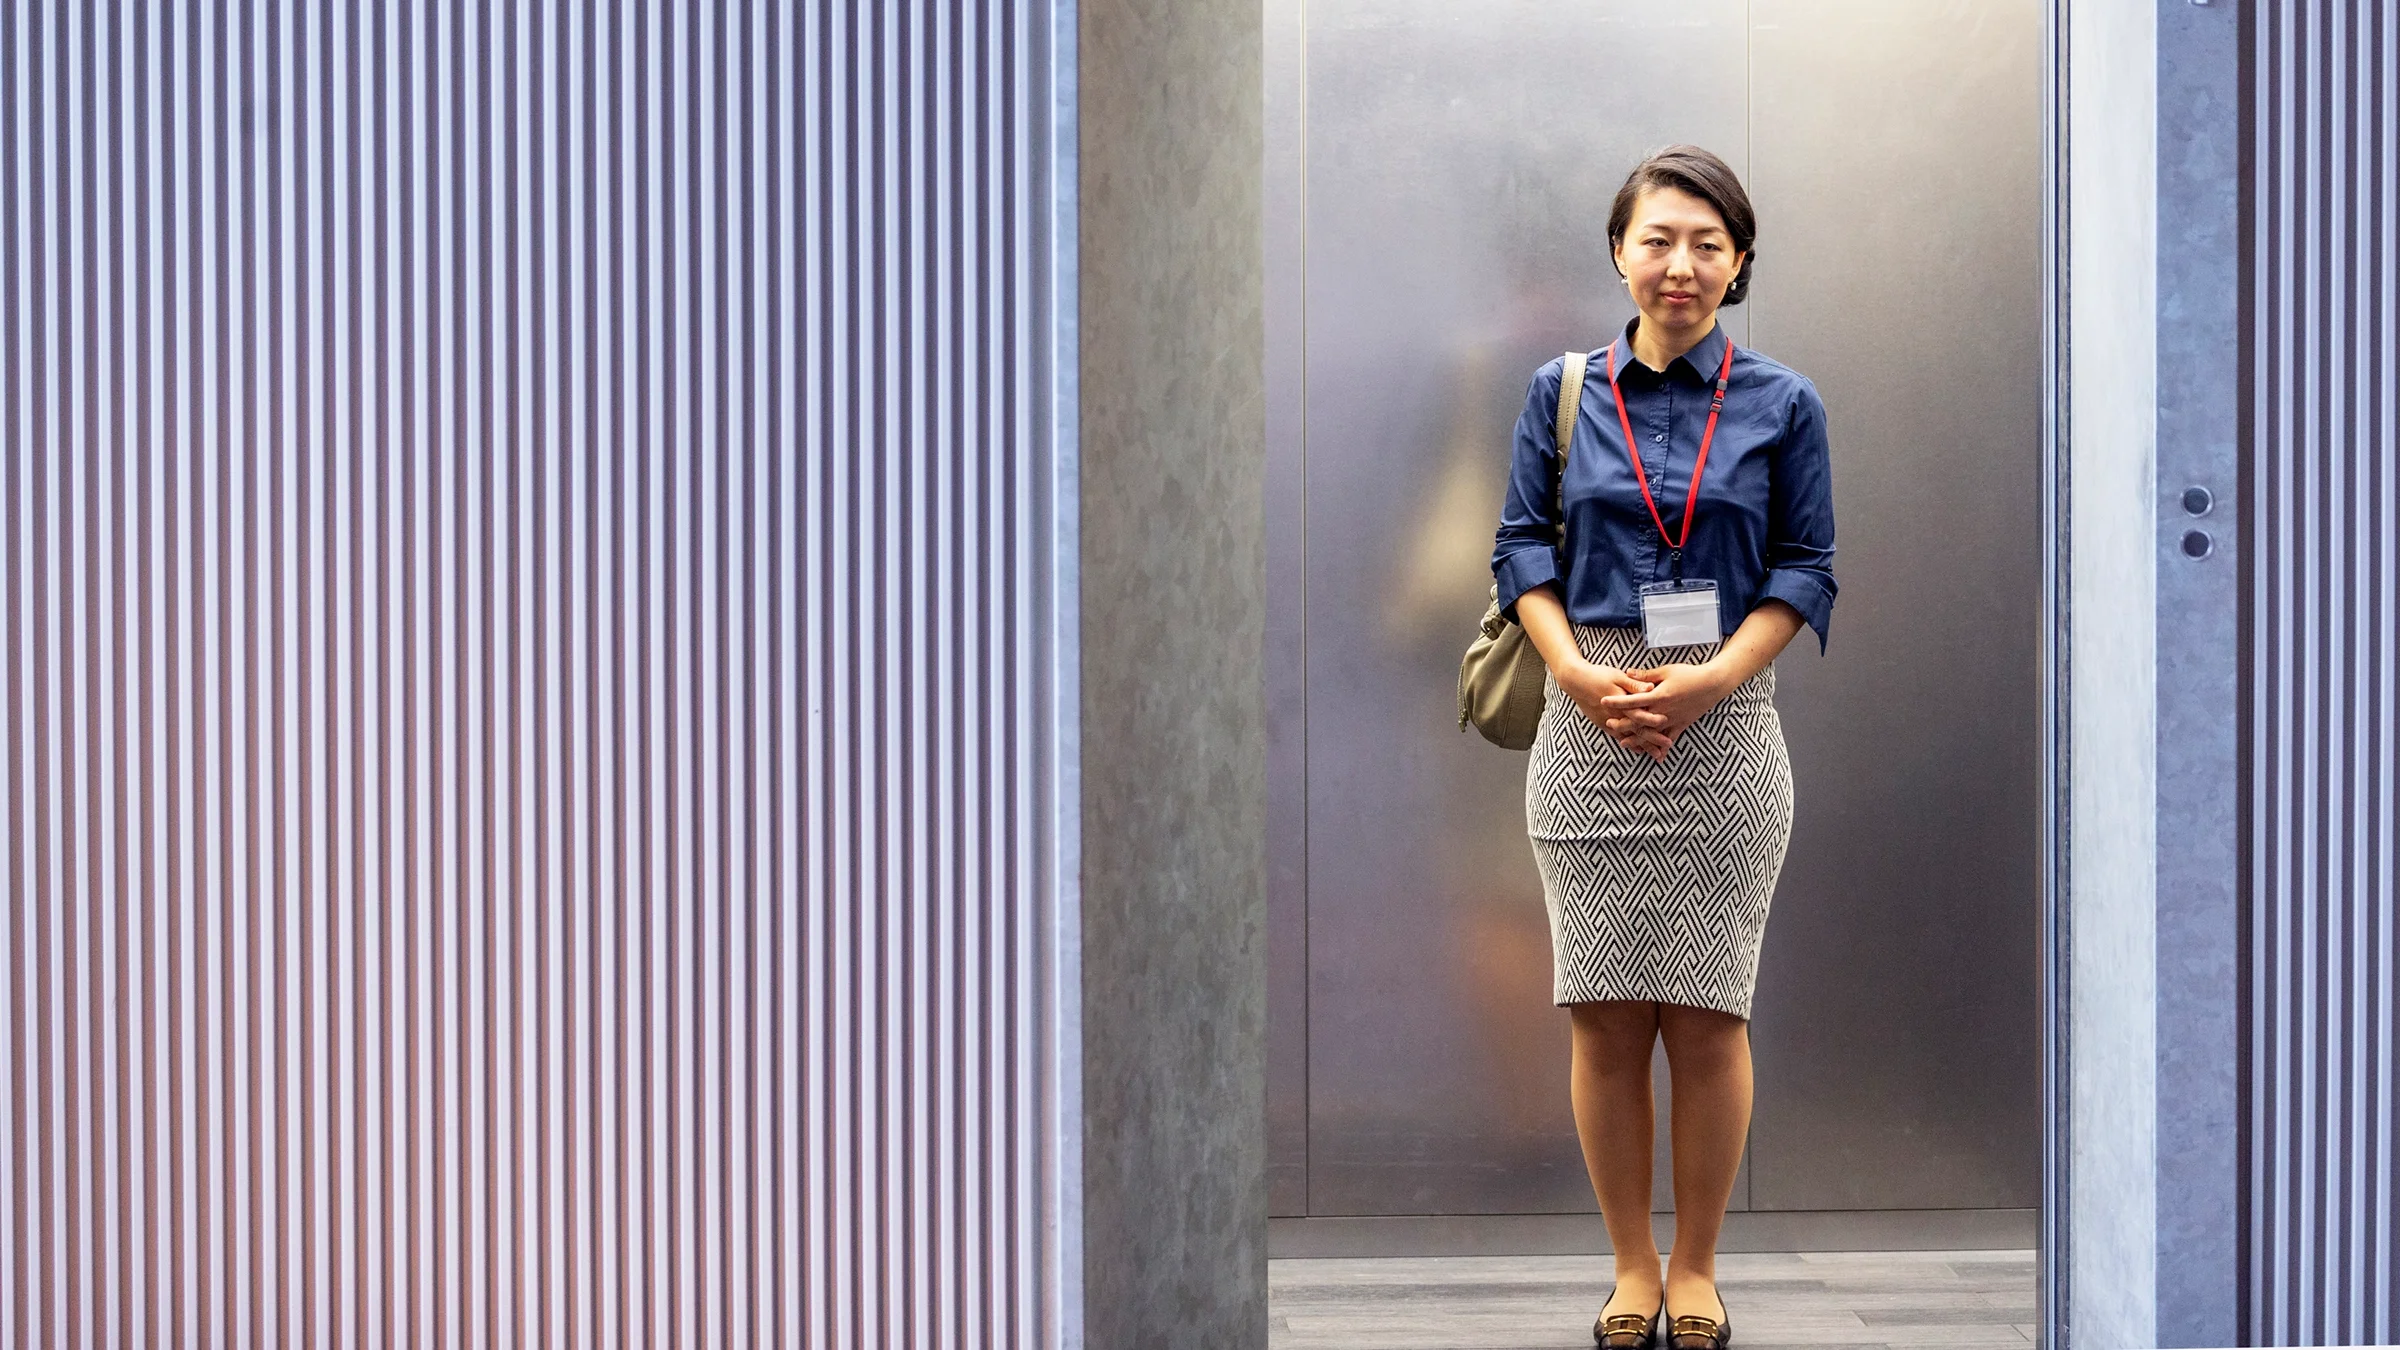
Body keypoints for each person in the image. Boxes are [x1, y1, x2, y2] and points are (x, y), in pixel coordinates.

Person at [1489, 145, 1837, 1350]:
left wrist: (1712, 682)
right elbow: (1521, 549)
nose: (1679, 264)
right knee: (1603, 1013)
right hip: (1587, 713)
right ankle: (1629, 1265)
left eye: (1706, 243)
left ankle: (1696, 1266)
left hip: (1727, 719)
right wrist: (1576, 673)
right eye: (1657, 239)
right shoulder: (1562, 390)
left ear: (1738, 262)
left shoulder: (1784, 402)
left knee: (1705, 1014)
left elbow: (1806, 566)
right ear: (1618, 251)